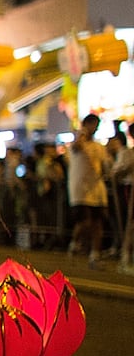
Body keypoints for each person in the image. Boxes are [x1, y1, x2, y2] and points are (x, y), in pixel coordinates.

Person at [66, 112, 110, 267]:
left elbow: (105, 166)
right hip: (81, 189)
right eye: (92, 125)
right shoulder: (78, 144)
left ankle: (95, 255)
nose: (94, 129)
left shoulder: (98, 147)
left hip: (97, 189)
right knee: (84, 221)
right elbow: (76, 146)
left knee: (98, 222)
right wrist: (82, 133)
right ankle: (75, 243)